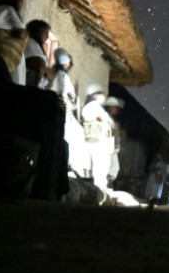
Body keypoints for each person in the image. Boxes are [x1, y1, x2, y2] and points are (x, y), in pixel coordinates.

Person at [49, 48, 90, 179]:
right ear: (66, 63)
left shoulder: (53, 73)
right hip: (61, 109)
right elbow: (67, 93)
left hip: (52, 106)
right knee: (75, 135)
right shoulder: (63, 76)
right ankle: (70, 168)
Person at [81, 84, 114, 191]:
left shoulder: (95, 106)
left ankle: (100, 188)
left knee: (102, 166)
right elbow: (103, 120)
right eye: (100, 94)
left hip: (99, 140)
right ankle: (99, 189)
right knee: (100, 166)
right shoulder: (93, 106)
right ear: (95, 95)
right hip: (96, 141)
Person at [24, 19, 53, 89]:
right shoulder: (31, 43)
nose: (47, 36)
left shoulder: (35, 45)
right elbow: (40, 67)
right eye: (45, 32)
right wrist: (46, 70)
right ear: (37, 32)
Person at [103, 96, 125, 189]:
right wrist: (116, 131)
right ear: (110, 107)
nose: (117, 109)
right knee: (109, 169)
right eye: (115, 107)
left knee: (115, 169)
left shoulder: (113, 120)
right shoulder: (105, 116)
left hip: (113, 148)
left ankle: (108, 187)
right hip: (106, 148)